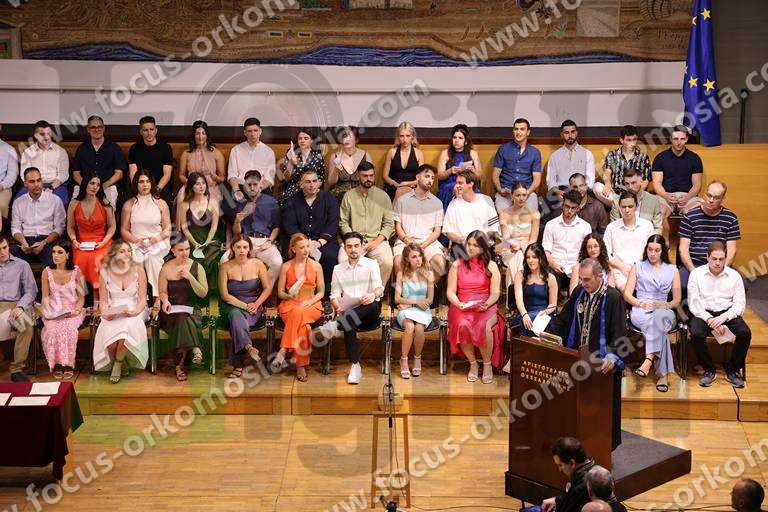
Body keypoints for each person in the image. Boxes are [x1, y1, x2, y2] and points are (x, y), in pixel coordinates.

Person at [547, 259, 627, 449]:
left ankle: (604, 446)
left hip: (601, 365)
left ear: (600, 277)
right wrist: (546, 334)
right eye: (581, 279)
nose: (583, 283)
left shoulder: (613, 297)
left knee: (601, 411)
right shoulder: (579, 292)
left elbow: (620, 333)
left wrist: (612, 357)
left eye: (587, 279)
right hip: (577, 359)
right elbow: (563, 319)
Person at [688, 241, 751, 388]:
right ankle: (709, 369)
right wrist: (710, 319)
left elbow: (739, 304)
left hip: (726, 313)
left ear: (725, 258)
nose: (717, 262)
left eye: (721, 259)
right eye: (714, 258)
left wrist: (724, 317)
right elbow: (693, 303)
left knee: (745, 333)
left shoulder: (735, 276)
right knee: (696, 333)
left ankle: (733, 370)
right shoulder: (696, 274)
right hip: (704, 313)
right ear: (707, 257)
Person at [624, 235, 681, 393]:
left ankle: (648, 359)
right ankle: (662, 375)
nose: (653, 253)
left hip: (664, 310)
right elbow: (627, 294)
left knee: (659, 318)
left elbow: (677, 299)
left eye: (657, 250)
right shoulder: (637, 266)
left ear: (663, 251)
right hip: (641, 309)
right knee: (659, 328)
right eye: (650, 249)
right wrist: (640, 303)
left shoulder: (673, 270)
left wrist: (666, 305)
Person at [446, 230, 504, 384]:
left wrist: (487, 304)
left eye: (475, 245)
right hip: (462, 304)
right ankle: (473, 363)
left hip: (485, 304)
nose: (470, 248)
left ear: (483, 247)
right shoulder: (456, 265)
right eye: (469, 244)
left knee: (483, 326)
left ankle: (487, 364)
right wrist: (458, 303)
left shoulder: (491, 265)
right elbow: (450, 292)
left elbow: (495, 292)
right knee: (462, 324)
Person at [328, 232, 384, 385]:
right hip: (349, 315)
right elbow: (334, 295)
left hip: (369, 313)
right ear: (345, 248)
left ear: (362, 246)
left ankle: (337, 323)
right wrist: (337, 306)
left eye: (356, 246)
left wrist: (373, 294)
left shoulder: (371, 264)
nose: (353, 249)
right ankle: (355, 365)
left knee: (372, 304)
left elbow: (379, 288)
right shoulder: (338, 269)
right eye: (349, 246)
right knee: (349, 321)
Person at [93, 240, 149, 384]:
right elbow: (103, 301)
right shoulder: (105, 272)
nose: (127, 254)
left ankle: (117, 365)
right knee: (109, 337)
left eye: (129, 251)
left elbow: (142, 299)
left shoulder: (139, 270)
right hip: (113, 309)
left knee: (126, 328)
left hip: (135, 309)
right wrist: (106, 313)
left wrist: (135, 311)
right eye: (122, 251)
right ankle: (121, 362)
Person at [218, 235, 271, 379]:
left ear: (249, 249)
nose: (242, 250)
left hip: (254, 306)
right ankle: (248, 346)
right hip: (232, 305)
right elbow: (225, 295)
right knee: (235, 314)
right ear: (233, 248)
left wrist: (256, 304)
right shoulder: (225, 267)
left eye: (245, 247)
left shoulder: (258, 264)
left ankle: (238, 365)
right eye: (238, 247)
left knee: (236, 324)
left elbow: (267, 288)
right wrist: (244, 306)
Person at [274, 233, 325, 382]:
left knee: (299, 311)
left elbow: (321, 292)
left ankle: (283, 350)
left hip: (311, 304)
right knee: (304, 328)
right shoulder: (285, 266)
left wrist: (311, 301)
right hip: (290, 304)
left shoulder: (316, 266)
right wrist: (290, 296)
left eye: (307, 246)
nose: (306, 250)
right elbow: (280, 293)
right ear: (293, 249)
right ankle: (301, 366)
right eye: (301, 247)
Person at [158, 239, 208, 382]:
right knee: (181, 318)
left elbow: (203, 293)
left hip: (192, 308)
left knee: (183, 319)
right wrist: (165, 301)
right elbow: (162, 291)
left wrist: (190, 277)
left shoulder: (197, 267)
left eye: (187, 249)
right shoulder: (166, 268)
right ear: (173, 251)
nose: (185, 253)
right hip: (171, 309)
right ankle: (195, 347)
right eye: (180, 250)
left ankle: (179, 366)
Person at [283, 169, 340, 293]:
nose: (312, 185)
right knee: (291, 255)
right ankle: (296, 293)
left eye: (314, 181)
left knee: (330, 256)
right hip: (300, 240)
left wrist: (319, 242)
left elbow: (333, 222)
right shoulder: (292, 201)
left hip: (323, 240)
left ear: (319, 182)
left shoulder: (329, 199)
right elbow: (289, 225)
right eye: (308, 182)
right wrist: (304, 242)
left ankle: (326, 295)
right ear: (301, 184)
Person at [339, 161, 394, 286]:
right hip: (354, 240)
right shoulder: (349, 196)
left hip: (377, 240)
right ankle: (353, 293)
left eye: (371, 175)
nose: (369, 179)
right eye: (365, 176)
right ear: (358, 176)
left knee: (387, 262)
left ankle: (377, 292)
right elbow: (343, 222)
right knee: (343, 260)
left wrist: (376, 242)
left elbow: (389, 224)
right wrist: (354, 240)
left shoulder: (383, 196)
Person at [120, 170, 172, 303]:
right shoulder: (129, 204)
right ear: (136, 184)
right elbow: (124, 230)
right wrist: (137, 241)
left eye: (148, 181)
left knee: (152, 258)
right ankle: (138, 299)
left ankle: (158, 298)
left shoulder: (160, 203)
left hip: (157, 241)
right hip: (135, 242)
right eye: (141, 182)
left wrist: (154, 240)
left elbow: (168, 229)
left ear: (151, 183)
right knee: (136, 258)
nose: (145, 185)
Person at [678, 181, 740, 287]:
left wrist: (722, 270)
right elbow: (683, 250)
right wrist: (694, 273)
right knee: (680, 284)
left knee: (741, 284)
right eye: (709, 195)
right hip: (695, 263)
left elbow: (732, 250)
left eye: (716, 198)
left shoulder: (731, 218)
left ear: (723, 199)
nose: (711, 200)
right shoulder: (689, 216)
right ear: (705, 194)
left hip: (719, 263)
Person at [229, 169, 283, 291]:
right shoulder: (240, 203)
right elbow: (236, 233)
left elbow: (276, 226)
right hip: (245, 241)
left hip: (265, 241)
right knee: (224, 259)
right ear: (244, 185)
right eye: (249, 185)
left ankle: (263, 291)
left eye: (255, 184)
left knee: (277, 262)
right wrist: (237, 221)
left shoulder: (271, 201)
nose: (252, 188)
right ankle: (237, 292)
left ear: (260, 184)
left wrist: (270, 241)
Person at [40, 243, 86, 379]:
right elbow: (45, 297)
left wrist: (77, 309)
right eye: (54, 252)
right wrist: (47, 312)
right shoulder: (46, 271)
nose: (55, 255)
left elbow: (81, 297)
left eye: (60, 252)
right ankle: (57, 364)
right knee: (51, 329)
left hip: (72, 310)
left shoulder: (77, 271)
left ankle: (69, 364)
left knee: (69, 329)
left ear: (67, 255)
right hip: (53, 310)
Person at [393, 164, 447, 279]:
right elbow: (398, 226)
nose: (430, 180)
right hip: (406, 241)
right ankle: (403, 289)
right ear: (417, 177)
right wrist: (407, 241)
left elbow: (437, 231)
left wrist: (425, 244)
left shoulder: (437, 203)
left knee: (440, 263)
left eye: (432, 178)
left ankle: (428, 289)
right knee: (398, 262)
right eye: (427, 176)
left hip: (428, 242)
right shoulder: (403, 200)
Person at [68, 172, 116, 300]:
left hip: (102, 242)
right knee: (80, 259)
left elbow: (112, 227)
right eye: (92, 183)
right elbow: (70, 227)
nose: (95, 187)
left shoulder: (104, 204)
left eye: (98, 185)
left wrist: (104, 242)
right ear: (85, 184)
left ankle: (99, 297)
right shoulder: (74, 204)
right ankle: (82, 298)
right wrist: (74, 240)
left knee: (98, 258)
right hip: (81, 242)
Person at [11, 167, 66, 268]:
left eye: (39, 180)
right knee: (9, 255)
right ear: (25, 184)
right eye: (32, 182)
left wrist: (44, 242)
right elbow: (15, 228)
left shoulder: (55, 200)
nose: (36, 184)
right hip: (26, 241)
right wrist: (23, 242)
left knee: (54, 258)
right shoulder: (18, 202)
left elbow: (60, 228)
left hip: (47, 240)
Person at [179, 172, 225, 291]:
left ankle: (212, 296)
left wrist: (207, 242)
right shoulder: (184, 204)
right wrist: (194, 243)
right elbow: (184, 228)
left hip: (210, 240)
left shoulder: (213, 202)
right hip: (191, 241)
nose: (201, 186)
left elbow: (214, 227)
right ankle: (197, 297)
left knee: (211, 261)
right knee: (193, 262)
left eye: (203, 183)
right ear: (191, 187)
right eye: (197, 184)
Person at [0, 235, 37, 382]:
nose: (2, 252)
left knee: (26, 324)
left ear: (8, 246)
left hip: (15, 304)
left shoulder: (22, 265)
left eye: (4, 248)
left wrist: (20, 306)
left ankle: (17, 369)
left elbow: (31, 291)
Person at [652, 125, 703, 232]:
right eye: (675, 139)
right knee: (659, 213)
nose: (679, 142)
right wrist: (665, 195)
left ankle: (687, 242)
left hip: (688, 196)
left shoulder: (695, 158)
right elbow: (657, 184)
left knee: (695, 213)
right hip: (665, 195)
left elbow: (697, 185)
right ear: (671, 139)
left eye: (682, 139)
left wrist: (688, 197)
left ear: (686, 139)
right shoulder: (660, 158)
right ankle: (664, 242)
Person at [395, 243, 435, 379]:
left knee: (419, 328)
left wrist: (410, 303)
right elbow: (397, 298)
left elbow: (430, 299)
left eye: (419, 256)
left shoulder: (429, 274)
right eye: (414, 257)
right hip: (406, 311)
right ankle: (404, 359)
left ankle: (417, 358)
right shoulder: (401, 274)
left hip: (422, 310)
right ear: (407, 259)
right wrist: (416, 302)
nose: (418, 259)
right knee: (410, 326)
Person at [542, 189, 592, 294]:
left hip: (576, 268)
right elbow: (546, 251)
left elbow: (586, 253)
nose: (569, 211)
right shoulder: (551, 225)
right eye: (567, 206)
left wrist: (577, 267)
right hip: (555, 266)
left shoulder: (585, 227)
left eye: (573, 208)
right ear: (562, 205)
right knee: (548, 281)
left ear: (578, 208)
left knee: (581, 286)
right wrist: (553, 265)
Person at [604, 191, 655, 292]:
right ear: (619, 207)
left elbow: (651, 250)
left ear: (636, 206)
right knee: (627, 291)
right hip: (620, 271)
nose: (627, 210)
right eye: (623, 207)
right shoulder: (611, 228)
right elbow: (605, 253)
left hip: (643, 268)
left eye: (630, 206)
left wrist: (637, 268)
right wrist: (622, 267)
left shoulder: (647, 226)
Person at [72, 115, 126, 208]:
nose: (97, 130)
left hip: (107, 187)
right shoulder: (82, 148)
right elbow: (76, 173)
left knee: (107, 210)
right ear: (88, 129)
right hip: (84, 187)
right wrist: (87, 186)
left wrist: (102, 186)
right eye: (93, 127)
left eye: (99, 127)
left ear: (104, 128)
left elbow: (119, 173)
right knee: (75, 208)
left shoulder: (114, 148)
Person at [443, 170, 500, 252]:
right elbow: (448, 232)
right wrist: (461, 240)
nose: (457, 186)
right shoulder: (453, 204)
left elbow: (493, 228)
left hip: (482, 244)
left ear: (471, 184)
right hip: (461, 246)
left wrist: (478, 241)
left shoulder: (486, 200)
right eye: (456, 183)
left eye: (460, 183)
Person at [594, 125, 651, 207]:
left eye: (634, 139)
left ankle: (623, 207)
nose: (632, 143)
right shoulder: (612, 155)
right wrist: (607, 183)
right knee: (597, 187)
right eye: (628, 140)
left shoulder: (643, 157)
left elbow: (645, 181)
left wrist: (637, 194)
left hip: (635, 196)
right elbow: (607, 173)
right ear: (621, 140)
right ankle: (622, 206)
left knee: (646, 198)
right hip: (615, 195)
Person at [492, 118, 541, 212]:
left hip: (527, 192)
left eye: (522, 129)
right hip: (506, 192)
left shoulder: (535, 152)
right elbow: (495, 175)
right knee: (504, 215)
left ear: (528, 132)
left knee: (530, 215)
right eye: (516, 129)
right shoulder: (503, 149)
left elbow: (537, 180)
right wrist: (499, 189)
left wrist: (527, 193)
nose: (518, 132)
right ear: (513, 131)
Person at [18, 120, 70, 206]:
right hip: (32, 184)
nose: (46, 137)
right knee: (19, 202)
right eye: (42, 134)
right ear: (35, 135)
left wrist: (51, 188)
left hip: (55, 185)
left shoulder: (61, 151)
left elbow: (63, 175)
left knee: (61, 203)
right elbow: (24, 175)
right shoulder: (27, 152)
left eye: (48, 133)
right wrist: (36, 187)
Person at [176, 120, 225, 209]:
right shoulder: (186, 153)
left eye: (203, 133)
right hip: (191, 187)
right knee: (182, 200)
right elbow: (181, 175)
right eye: (197, 133)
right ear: (193, 135)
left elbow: (222, 178)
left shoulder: (216, 153)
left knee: (210, 204)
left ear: (207, 135)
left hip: (210, 188)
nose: (200, 136)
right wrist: (191, 183)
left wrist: (215, 178)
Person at [499, 181, 540, 288]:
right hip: (509, 248)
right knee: (518, 256)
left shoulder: (535, 214)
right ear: (512, 196)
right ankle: (520, 291)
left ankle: (515, 292)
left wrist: (523, 247)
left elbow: (533, 239)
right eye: (518, 195)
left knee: (521, 256)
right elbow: (506, 237)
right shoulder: (504, 214)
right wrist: (517, 245)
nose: (521, 198)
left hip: (528, 247)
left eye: (524, 195)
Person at [545, 120, 596, 204]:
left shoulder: (587, 154)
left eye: (573, 132)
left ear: (576, 133)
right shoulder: (555, 156)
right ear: (561, 135)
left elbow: (590, 179)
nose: (570, 135)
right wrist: (557, 192)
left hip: (581, 190)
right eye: (566, 133)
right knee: (545, 204)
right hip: (562, 191)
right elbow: (550, 180)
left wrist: (582, 191)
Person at [513, 243, 557, 337]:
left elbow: (553, 304)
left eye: (534, 257)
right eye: (528, 257)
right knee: (525, 321)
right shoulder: (520, 275)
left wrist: (545, 312)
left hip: (544, 314)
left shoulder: (550, 278)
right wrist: (524, 314)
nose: (530, 260)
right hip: (525, 313)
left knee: (536, 322)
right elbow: (519, 300)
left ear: (541, 258)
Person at [127, 116, 174, 205]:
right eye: (145, 130)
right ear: (141, 132)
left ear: (156, 130)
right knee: (124, 202)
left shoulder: (166, 148)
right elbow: (133, 173)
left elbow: (167, 175)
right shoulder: (134, 148)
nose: (149, 133)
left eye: (151, 129)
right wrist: (141, 189)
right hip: (139, 186)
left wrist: (156, 190)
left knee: (167, 202)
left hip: (160, 187)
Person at [541, 437, 596, 512]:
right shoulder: (595, 468)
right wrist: (557, 500)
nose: (559, 470)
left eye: (560, 465)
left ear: (572, 463)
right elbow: (575, 499)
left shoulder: (582, 486)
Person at [436, 124, 482, 211]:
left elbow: (479, 176)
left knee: (467, 189)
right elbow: (440, 175)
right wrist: (450, 171)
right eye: (454, 137)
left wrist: (473, 170)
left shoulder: (473, 153)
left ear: (466, 141)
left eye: (460, 138)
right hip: (449, 186)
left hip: (467, 184)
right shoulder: (445, 153)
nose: (456, 140)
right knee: (457, 188)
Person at [227, 117, 277, 195]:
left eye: (255, 130)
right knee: (230, 199)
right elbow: (232, 175)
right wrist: (237, 190)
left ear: (260, 131)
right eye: (249, 131)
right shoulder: (236, 150)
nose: (253, 134)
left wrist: (257, 190)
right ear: (245, 133)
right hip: (241, 187)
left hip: (261, 188)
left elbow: (269, 178)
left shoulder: (269, 152)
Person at [279, 127, 325, 209]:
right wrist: (291, 162)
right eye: (300, 138)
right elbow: (286, 178)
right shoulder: (291, 152)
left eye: (306, 138)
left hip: (312, 188)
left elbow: (321, 178)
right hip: (293, 188)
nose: (302, 140)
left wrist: (312, 189)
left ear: (311, 141)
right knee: (289, 200)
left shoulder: (318, 155)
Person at [609, 169, 662, 237]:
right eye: (627, 183)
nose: (630, 187)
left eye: (633, 183)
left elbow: (657, 228)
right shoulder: (617, 202)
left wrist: (651, 241)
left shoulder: (653, 201)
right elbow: (614, 227)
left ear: (641, 181)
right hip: (624, 239)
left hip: (646, 239)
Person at [326, 125, 373, 203]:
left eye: (349, 136)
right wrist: (335, 171)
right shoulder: (335, 156)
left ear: (356, 139)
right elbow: (330, 183)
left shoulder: (365, 155)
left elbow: (371, 180)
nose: (346, 139)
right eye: (344, 136)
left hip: (360, 196)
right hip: (338, 197)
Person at [382, 121, 424, 202]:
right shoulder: (392, 152)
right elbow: (385, 176)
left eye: (408, 136)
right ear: (398, 137)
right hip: (393, 188)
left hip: (412, 188)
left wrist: (406, 184)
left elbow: (421, 179)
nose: (405, 140)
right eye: (402, 136)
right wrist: (395, 184)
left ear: (412, 137)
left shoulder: (419, 153)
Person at [0, 123, 19, 219]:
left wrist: (2, 185)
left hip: (2, 187)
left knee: (1, 205)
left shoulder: (9, 149)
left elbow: (12, 174)